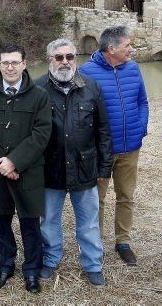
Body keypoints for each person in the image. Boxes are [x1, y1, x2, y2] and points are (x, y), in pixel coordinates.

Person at [0, 44, 52, 294]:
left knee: (30, 224)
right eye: (5, 62)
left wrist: (14, 162)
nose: (10, 67)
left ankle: (31, 270)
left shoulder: (39, 95)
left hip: (28, 172)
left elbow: (41, 134)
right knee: (0, 222)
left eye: (15, 62)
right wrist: (2, 163)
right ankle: (5, 265)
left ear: (24, 64)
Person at [36, 39, 112, 286]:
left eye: (69, 56)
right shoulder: (37, 89)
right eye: (59, 57)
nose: (65, 62)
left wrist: (105, 166)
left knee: (89, 221)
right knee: (48, 220)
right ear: (50, 60)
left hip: (85, 167)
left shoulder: (91, 87)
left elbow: (103, 130)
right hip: (50, 168)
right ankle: (50, 258)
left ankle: (91, 263)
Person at [78, 25, 148, 265]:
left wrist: (141, 127)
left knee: (126, 196)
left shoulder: (133, 68)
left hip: (130, 148)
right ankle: (94, 242)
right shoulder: (85, 72)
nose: (131, 49)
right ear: (111, 48)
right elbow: (80, 114)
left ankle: (123, 241)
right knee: (97, 199)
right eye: (127, 45)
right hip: (101, 152)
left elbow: (142, 101)